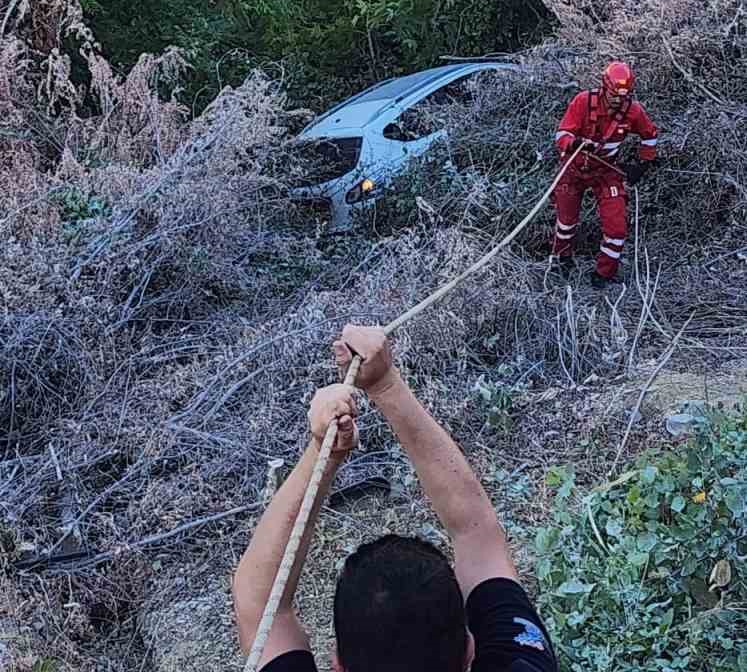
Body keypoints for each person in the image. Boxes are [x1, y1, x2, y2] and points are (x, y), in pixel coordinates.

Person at [233, 323, 558, 672]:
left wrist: (322, 454)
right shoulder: (520, 663)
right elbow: (477, 536)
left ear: (339, 666)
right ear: (470, 651)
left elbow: (259, 603)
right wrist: (385, 383)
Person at [551, 59, 658, 287]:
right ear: (604, 87)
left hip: (605, 172)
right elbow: (561, 134)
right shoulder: (583, 101)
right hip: (573, 169)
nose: (618, 101)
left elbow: (650, 135)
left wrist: (642, 164)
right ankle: (561, 259)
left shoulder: (633, 111)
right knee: (566, 222)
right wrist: (575, 143)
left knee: (617, 229)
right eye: (614, 95)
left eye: (624, 96)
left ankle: (603, 274)